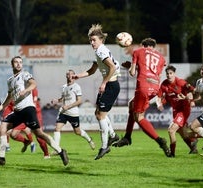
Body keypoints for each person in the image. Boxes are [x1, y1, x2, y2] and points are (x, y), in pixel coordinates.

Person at [0, 56, 68, 166]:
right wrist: (1, 107)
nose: (19, 64)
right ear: (12, 64)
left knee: (39, 134)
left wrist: (26, 90)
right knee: (2, 128)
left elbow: (34, 84)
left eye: (20, 62)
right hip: (18, 111)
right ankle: (1, 158)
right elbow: (10, 96)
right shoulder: (10, 80)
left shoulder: (25, 74)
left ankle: (61, 151)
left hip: (28, 109)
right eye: (16, 62)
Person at [73, 24, 120, 160]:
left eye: (94, 40)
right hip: (110, 84)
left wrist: (104, 83)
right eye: (90, 40)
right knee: (98, 113)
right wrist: (78, 76)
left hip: (111, 85)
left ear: (101, 40)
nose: (92, 42)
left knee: (100, 116)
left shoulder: (101, 51)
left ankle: (105, 146)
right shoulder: (99, 51)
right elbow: (92, 70)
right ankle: (113, 136)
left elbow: (111, 68)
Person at [118, 37, 170, 157]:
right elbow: (155, 72)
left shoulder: (138, 51)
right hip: (155, 87)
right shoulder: (161, 58)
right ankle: (127, 137)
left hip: (144, 86)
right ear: (153, 46)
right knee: (132, 104)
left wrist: (130, 66)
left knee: (139, 117)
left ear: (143, 45)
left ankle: (160, 141)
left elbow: (132, 73)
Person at [156, 65, 198, 157]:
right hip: (175, 110)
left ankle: (172, 154)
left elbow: (192, 90)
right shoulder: (164, 84)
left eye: (171, 73)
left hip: (183, 109)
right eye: (167, 74)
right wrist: (160, 103)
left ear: (174, 74)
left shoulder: (180, 82)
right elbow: (160, 96)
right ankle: (193, 143)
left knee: (171, 130)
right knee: (181, 132)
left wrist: (192, 100)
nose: (169, 75)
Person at [51, 69, 95, 152]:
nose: (69, 76)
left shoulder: (77, 87)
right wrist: (57, 100)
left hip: (73, 113)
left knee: (77, 132)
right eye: (68, 74)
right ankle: (57, 149)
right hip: (63, 112)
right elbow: (63, 98)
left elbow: (79, 101)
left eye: (71, 74)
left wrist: (68, 106)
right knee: (57, 128)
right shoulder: (64, 87)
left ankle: (89, 140)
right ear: (66, 76)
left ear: (74, 76)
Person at [5, 88, 51, 159]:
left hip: (34, 113)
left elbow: (34, 104)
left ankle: (47, 154)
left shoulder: (33, 89)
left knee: (39, 136)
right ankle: (28, 142)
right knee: (13, 134)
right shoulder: (18, 88)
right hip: (22, 114)